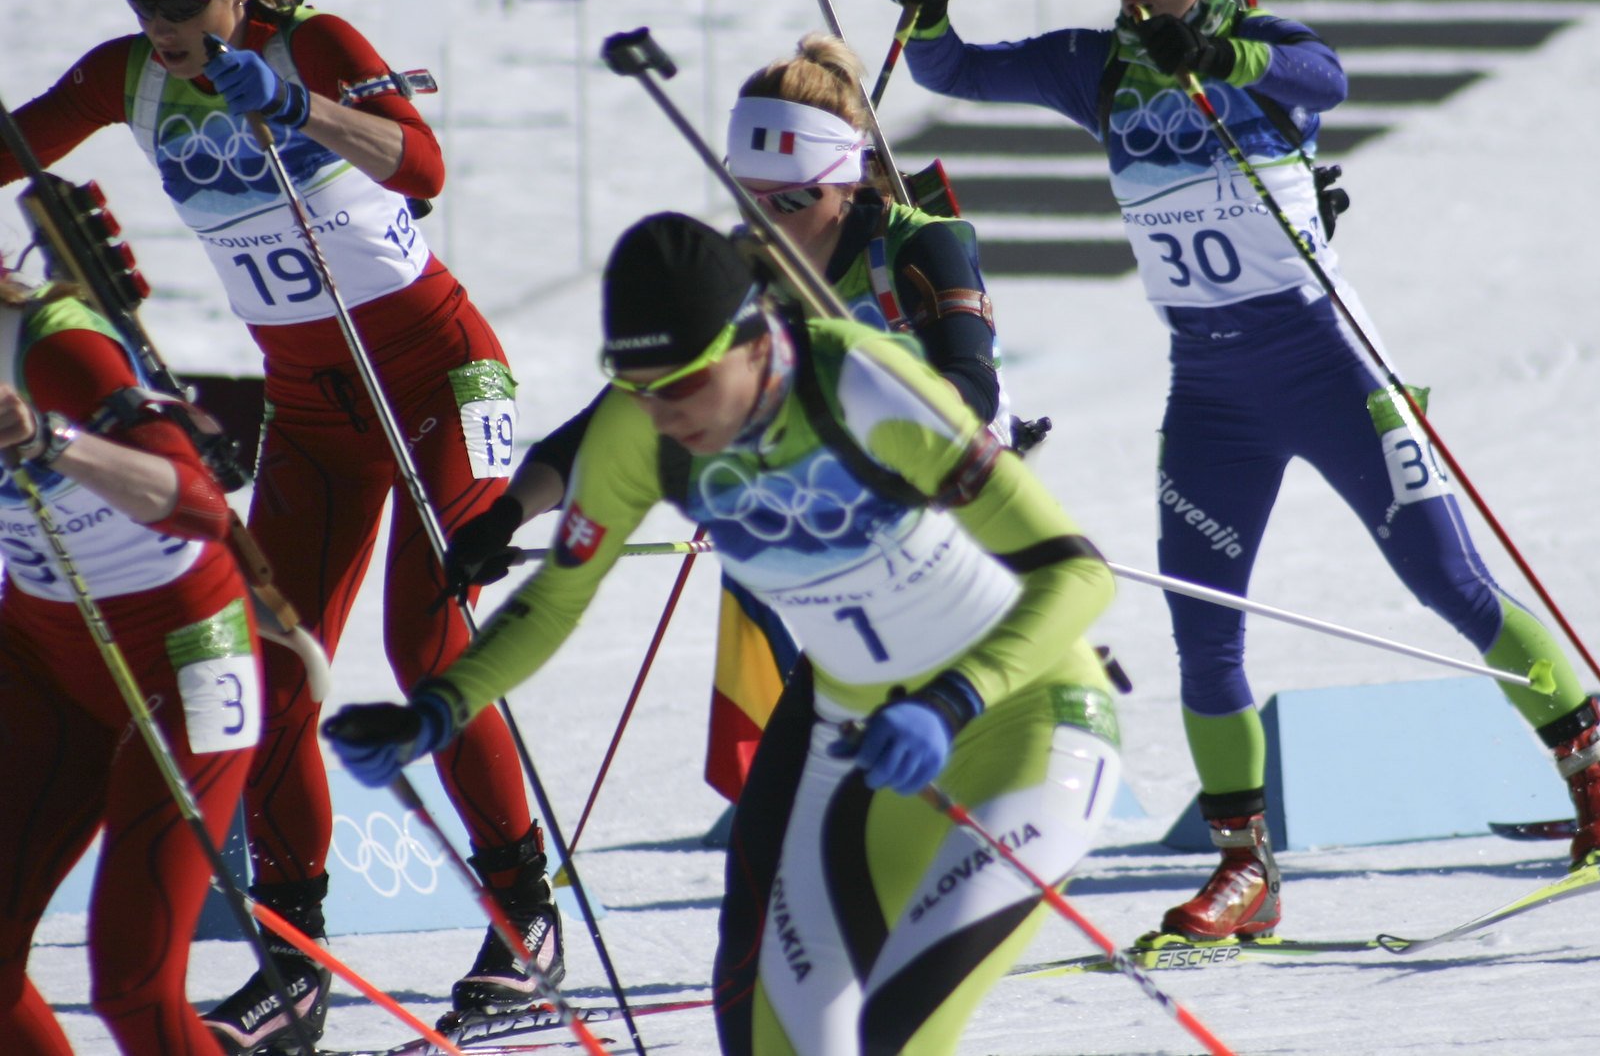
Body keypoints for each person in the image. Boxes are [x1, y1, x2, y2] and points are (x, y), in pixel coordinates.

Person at [895, 0, 1600, 941]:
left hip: (1325, 361)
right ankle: (1245, 867)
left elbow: (1322, 75)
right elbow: (953, 71)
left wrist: (1213, 55)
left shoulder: (1258, 45)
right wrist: (925, 14)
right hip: (1208, 385)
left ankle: (1596, 784)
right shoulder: (1093, 66)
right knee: (1203, 632)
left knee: (1448, 581)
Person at [325, 211, 1121, 1054]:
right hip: (856, 744)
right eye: (641, 387)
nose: (665, 413)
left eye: (683, 383)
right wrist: (435, 712)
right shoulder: (647, 427)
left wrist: (954, 698)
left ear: (752, 340)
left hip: (1029, 722)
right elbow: (557, 599)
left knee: (898, 1027)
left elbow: (1078, 573)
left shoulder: (860, 382)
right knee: (778, 1036)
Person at [3, 0, 557, 1050]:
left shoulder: (312, 40)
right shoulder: (129, 75)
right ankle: (294, 950)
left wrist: (293, 101)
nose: (161, 23)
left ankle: (524, 914)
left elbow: (422, 167)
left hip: (441, 376)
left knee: (429, 639)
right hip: (314, 408)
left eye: (183, 0)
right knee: (277, 666)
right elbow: (14, 145)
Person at [442, 36, 1018, 800]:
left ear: (844, 185)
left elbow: (969, 391)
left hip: (953, 528)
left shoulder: (922, 245)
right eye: (751, 199)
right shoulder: (742, 274)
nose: (771, 222)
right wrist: (509, 510)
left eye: (791, 201)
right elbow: (626, 408)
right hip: (837, 547)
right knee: (789, 800)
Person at [0, 272, 260, 1055]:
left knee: (132, 982)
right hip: (41, 653)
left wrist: (53, 442)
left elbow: (201, 503)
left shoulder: (51, 344)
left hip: (187, 653)